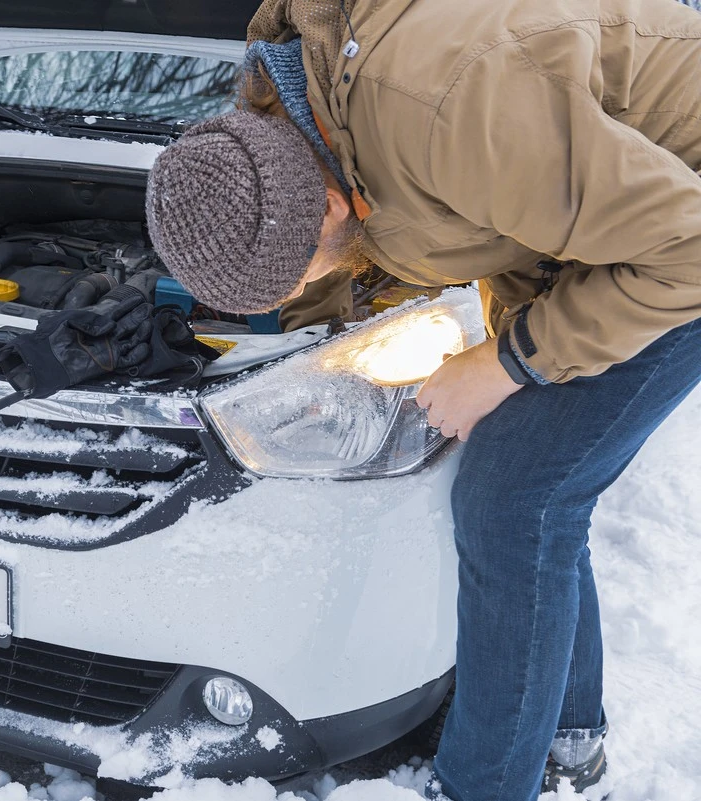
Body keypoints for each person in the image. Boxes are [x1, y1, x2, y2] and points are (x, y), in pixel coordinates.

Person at [143, 1, 701, 799]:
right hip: (601, 214)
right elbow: (380, 246)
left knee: (515, 499)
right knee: (538, 487)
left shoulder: (450, 113)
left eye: (297, 276)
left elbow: (686, 245)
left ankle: (486, 785)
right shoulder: (277, 126)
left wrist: (508, 362)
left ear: (329, 207)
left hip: (681, 231)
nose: (304, 287)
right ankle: (567, 740)